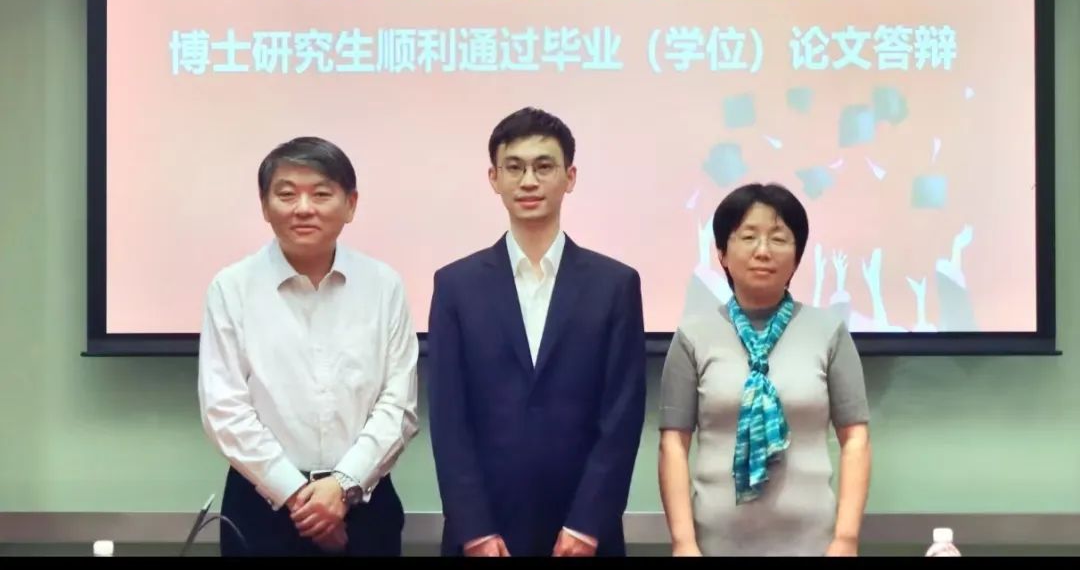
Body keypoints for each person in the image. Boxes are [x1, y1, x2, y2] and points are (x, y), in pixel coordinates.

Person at [428, 107, 647, 557]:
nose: (529, 181)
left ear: (570, 177)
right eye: (515, 167)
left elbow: (622, 416)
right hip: (485, 530)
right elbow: (449, 419)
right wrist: (474, 529)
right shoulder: (455, 285)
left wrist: (587, 524)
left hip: (583, 531)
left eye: (544, 166)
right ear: (494, 178)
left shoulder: (614, 285)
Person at [197, 136, 419, 556]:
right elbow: (224, 409)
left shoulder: (383, 285)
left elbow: (399, 405)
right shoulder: (231, 288)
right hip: (262, 510)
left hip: (365, 507)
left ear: (350, 204)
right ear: (265, 206)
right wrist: (300, 497)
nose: (303, 208)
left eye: (320, 194)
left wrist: (342, 487)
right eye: (286, 194)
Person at [658, 182, 871, 557]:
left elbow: (855, 439)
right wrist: (683, 542)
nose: (763, 251)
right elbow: (673, 444)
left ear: (797, 256)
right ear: (722, 253)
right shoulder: (693, 336)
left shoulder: (828, 332)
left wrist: (846, 538)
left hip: (815, 544)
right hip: (713, 544)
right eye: (748, 237)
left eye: (778, 238)